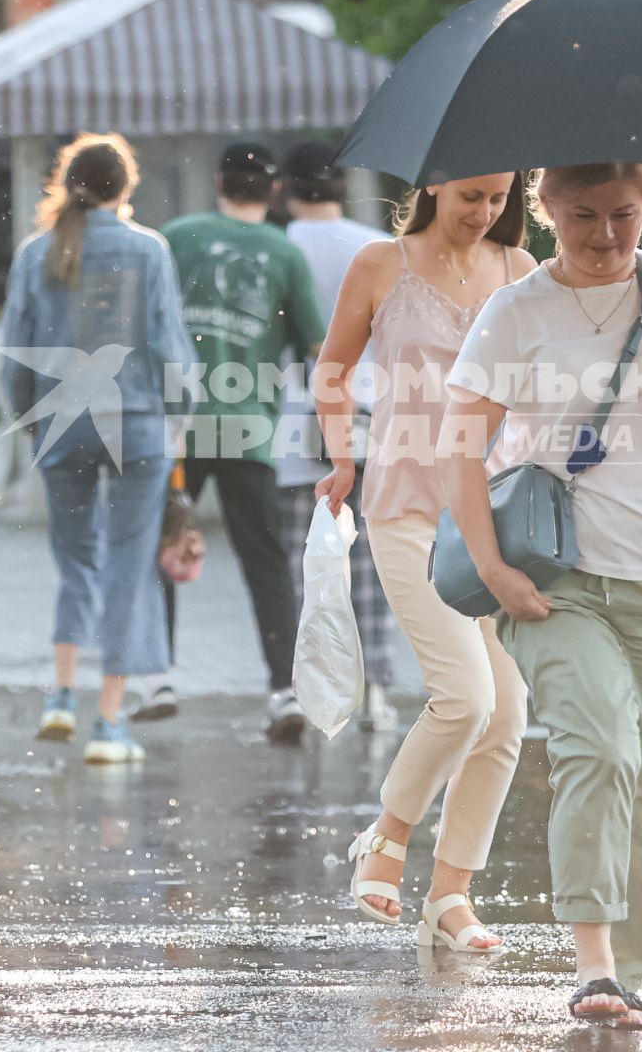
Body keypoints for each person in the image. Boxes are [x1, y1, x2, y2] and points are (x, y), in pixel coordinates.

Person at [438, 161, 642, 1028]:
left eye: (624, 214)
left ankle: (625, 973)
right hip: (558, 576)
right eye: (582, 215)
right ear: (545, 209)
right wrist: (493, 568)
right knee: (598, 749)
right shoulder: (516, 310)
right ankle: (591, 967)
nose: (605, 235)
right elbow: (459, 445)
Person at [313, 171, 537, 955]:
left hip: (491, 514)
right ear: (436, 183)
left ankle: (450, 895)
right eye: (472, 195)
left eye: (500, 198)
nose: (486, 213)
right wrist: (342, 456)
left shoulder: (521, 273)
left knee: (508, 715)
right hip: (405, 506)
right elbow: (333, 370)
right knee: (465, 698)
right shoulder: (380, 264)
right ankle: (386, 837)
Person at [0, 134, 194, 766]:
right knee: (128, 566)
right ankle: (108, 724)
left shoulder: (35, 253)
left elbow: (14, 350)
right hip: (137, 424)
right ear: (126, 188)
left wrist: (27, 419)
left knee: (75, 558)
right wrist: (181, 419)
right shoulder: (149, 250)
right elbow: (168, 343)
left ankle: (60, 696)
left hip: (61, 422)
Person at [161, 143, 327, 744]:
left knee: (160, 544)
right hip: (249, 427)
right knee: (266, 562)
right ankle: (283, 691)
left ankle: (156, 675)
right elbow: (316, 347)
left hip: (177, 423)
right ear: (274, 188)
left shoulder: (177, 237)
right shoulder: (285, 252)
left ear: (218, 181)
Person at [274, 141, 400, 732]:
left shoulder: (281, 247)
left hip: (293, 419)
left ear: (286, 187)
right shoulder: (372, 248)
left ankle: (311, 687)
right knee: (371, 563)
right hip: (371, 413)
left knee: (308, 563)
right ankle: (375, 688)